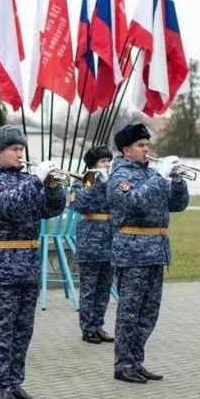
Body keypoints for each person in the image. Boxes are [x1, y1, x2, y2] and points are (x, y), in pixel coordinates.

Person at [0, 125, 66, 399]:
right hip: (2, 265)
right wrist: (37, 181)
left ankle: (16, 382)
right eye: (14, 149)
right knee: (2, 329)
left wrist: (53, 187)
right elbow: (10, 205)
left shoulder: (27, 180)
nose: (20, 154)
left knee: (22, 329)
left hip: (27, 264)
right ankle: (1, 385)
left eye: (21, 149)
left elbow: (51, 209)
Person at [107, 123, 189, 384]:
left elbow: (178, 205)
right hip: (132, 251)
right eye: (141, 145)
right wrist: (160, 178)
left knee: (148, 312)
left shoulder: (153, 173)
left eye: (146, 144)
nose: (147, 149)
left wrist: (176, 180)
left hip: (155, 251)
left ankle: (137, 360)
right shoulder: (120, 176)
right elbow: (135, 202)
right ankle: (123, 364)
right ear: (127, 151)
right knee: (130, 312)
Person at [69, 145, 116, 345]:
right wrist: (96, 184)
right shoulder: (81, 183)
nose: (106, 165)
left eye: (108, 161)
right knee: (90, 287)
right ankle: (87, 328)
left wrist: (108, 183)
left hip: (111, 237)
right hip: (91, 238)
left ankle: (98, 325)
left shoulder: (113, 181)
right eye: (102, 162)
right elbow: (79, 205)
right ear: (92, 165)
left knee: (104, 287)